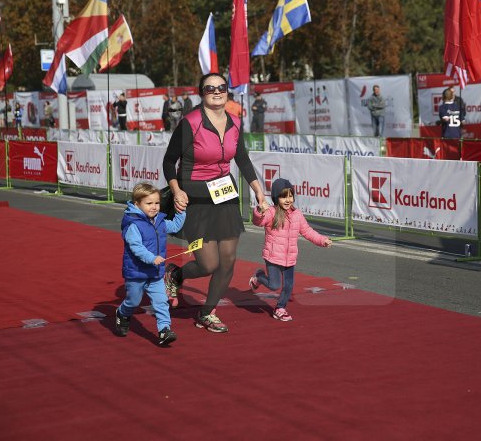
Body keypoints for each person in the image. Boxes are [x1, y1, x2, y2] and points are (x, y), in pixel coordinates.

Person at [162, 72, 267, 334]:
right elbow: (168, 161)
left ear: (228, 92)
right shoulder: (190, 122)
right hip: (196, 199)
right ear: (201, 93)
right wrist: (177, 191)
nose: (217, 92)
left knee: (228, 261)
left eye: (221, 87)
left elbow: (241, 158)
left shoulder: (234, 122)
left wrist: (258, 191)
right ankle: (176, 274)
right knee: (208, 264)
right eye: (210, 88)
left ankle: (207, 312)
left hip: (225, 196)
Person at [249, 178, 332, 321]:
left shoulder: (297, 215)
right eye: (283, 196)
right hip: (273, 257)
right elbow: (258, 221)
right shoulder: (271, 212)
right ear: (276, 198)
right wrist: (259, 211)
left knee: (288, 286)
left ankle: (280, 308)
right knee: (274, 285)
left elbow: (307, 231)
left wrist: (322, 240)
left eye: (290, 196)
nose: (288, 200)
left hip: (290, 258)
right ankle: (259, 277)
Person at [116, 182, 186, 346]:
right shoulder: (133, 224)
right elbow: (136, 247)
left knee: (161, 301)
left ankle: (164, 331)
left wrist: (181, 211)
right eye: (149, 203)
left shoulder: (160, 221)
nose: (154, 207)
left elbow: (175, 225)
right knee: (133, 301)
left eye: (156, 203)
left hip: (155, 273)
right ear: (137, 204)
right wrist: (151, 258)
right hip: (136, 273)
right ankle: (122, 313)